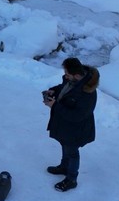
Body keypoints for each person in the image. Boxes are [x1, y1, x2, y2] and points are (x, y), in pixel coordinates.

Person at [42, 57, 99, 192]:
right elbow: (64, 88)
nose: (65, 76)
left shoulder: (87, 93)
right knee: (64, 145)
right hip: (65, 125)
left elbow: (76, 116)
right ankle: (64, 167)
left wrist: (54, 106)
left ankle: (72, 179)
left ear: (77, 75)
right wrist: (53, 91)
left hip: (76, 129)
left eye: (67, 74)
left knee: (72, 152)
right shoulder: (73, 80)